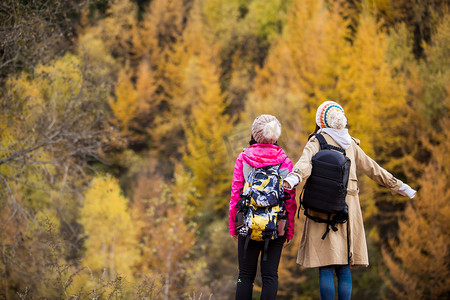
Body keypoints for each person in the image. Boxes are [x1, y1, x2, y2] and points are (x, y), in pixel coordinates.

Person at [283, 101, 416, 300]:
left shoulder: (317, 140)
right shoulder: (350, 143)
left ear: (320, 121)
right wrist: (398, 185)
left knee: (326, 267)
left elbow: (305, 162)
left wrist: (294, 177)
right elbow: (373, 168)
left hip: (322, 207)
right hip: (348, 209)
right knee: (344, 267)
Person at [229, 114, 297, 300]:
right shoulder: (284, 162)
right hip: (275, 226)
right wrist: (289, 230)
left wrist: (233, 226)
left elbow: (236, 194)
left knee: (245, 276)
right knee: (270, 276)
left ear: (254, 133)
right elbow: (290, 199)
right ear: (276, 135)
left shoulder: (244, 158)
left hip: (247, 225)